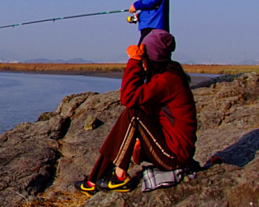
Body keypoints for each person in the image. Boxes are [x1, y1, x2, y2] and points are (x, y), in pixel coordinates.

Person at [76, 29, 197, 194]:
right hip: (172, 151)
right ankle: (94, 178)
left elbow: (128, 98)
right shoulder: (167, 77)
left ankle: (118, 177)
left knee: (133, 114)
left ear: (150, 57)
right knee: (134, 113)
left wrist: (134, 62)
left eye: (143, 55)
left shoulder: (167, 80)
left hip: (174, 157)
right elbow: (145, 107)